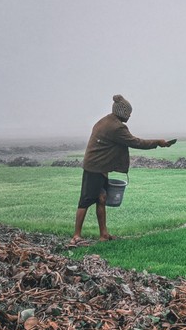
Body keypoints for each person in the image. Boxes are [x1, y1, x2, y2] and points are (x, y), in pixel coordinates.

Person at [70, 94, 176, 246]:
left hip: (100, 166)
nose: (130, 116)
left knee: (101, 198)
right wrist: (158, 143)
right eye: (128, 113)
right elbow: (135, 142)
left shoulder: (106, 120)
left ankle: (104, 234)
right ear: (123, 113)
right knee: (85, 200)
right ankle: (76, 236)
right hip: (95, 167)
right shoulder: (116, 127)